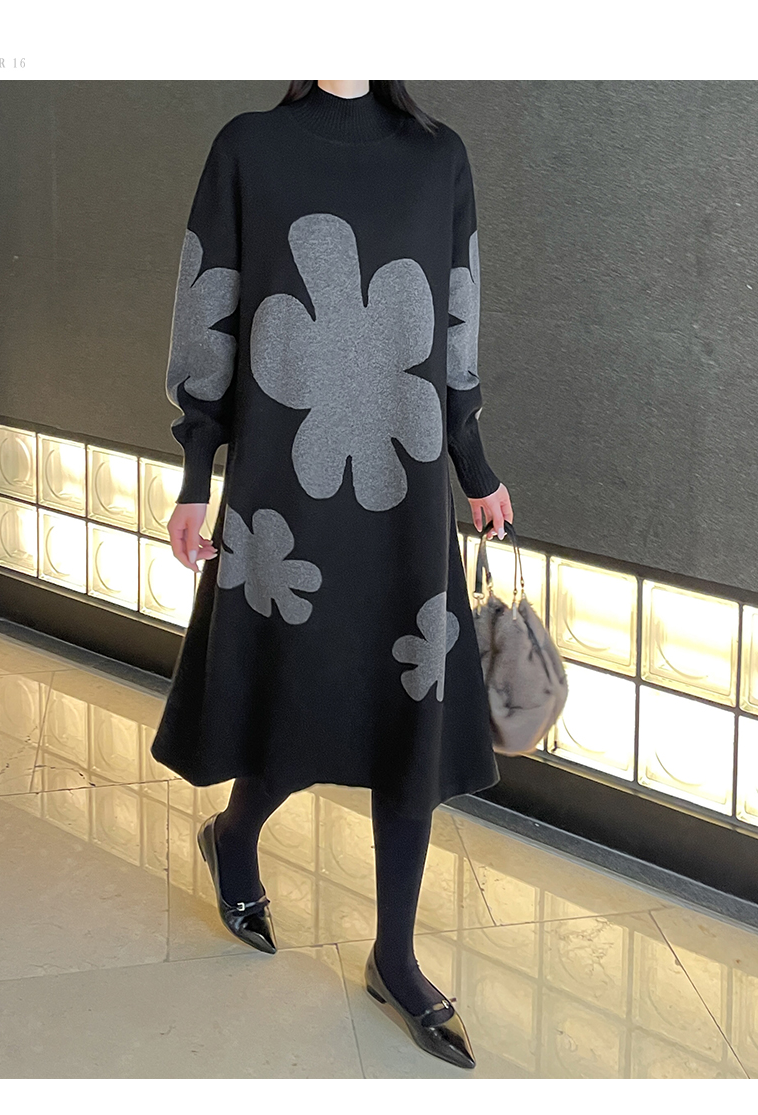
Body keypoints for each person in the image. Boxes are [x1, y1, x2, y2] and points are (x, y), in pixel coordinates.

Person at [151, 79, 514, 1070]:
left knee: (407, 705)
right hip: (287, 478)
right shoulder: (249, 148)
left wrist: (475, 468)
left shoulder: (438, 157)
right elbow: (208, 307)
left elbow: (455, 322)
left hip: (405, 480)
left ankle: (395, 956)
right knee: (297, 692)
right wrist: (195, 474)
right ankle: (235, 835)